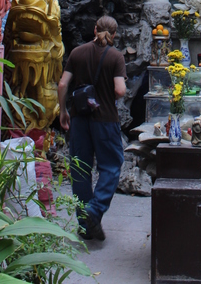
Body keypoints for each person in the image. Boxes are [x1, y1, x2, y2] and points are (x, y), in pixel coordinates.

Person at [58, 16, 127, 241]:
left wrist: (63, 111)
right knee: (111, 166)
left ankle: (85, 225)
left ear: (95, 29)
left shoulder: (77, 53)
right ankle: (95, 210)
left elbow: (62, 84)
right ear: (114, 34)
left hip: (79, 119)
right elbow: (120, 90)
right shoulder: (116, 57)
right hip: (105, 120)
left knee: (80, 169)